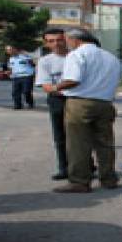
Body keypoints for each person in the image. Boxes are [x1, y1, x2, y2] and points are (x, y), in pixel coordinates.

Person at [50, 28, 122, 193]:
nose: (66, 44)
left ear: (75, 39)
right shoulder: (112, 58)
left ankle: (80, 181)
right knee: (105, 143)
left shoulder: (76, 55)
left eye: (67, 40)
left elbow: (72, 80)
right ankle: (108, 178)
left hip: (80, 102)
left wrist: (55, 87)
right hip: (105, 103)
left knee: (78, 144)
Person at [34, 29, 70, 180]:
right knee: (60, 136)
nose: (56, 44)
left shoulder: (76, 56)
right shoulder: (45, 61)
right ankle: (64, 168)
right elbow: (46, 86)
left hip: (78, 100)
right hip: (57, 100)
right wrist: (62, 90)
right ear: (46, 43)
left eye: (59, 39)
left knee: (81, 135)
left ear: (65, 39)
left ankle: (87, 165)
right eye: (51, 41)